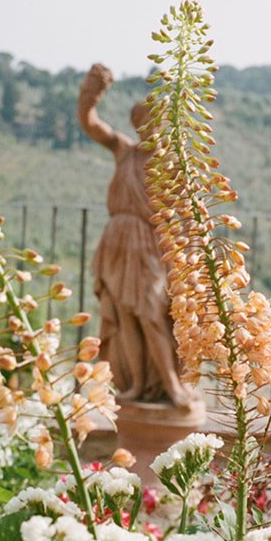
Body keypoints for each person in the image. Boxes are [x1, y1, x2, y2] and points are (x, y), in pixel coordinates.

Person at [78, 63, 197, 408]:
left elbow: (187, 214)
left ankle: (171, 386)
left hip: (148, 242)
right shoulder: (124, 151)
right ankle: (137, 384)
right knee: (125, 313)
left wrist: (187, 256)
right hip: (117, 240)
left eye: (156, 121)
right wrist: (91, 93)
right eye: (144, 121)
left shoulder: (172, 165)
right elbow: (90, 122)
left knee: (149, 310)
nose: (149, 127)